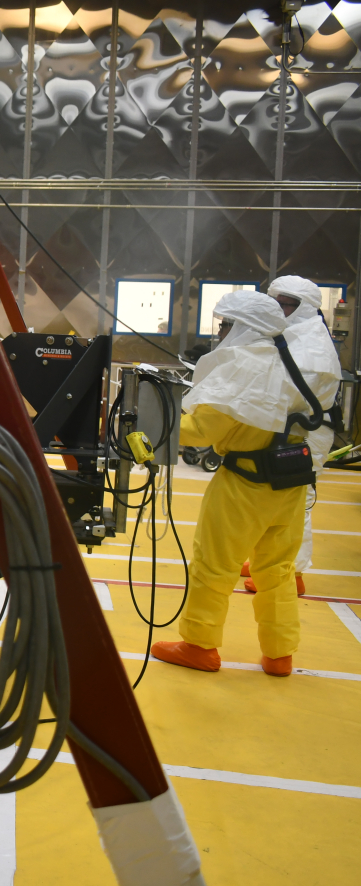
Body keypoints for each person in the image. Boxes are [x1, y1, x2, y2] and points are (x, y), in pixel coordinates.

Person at [153, 290, 318, 677]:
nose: (220, 332)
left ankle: (199, 645)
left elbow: (203, 429)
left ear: (245, 326)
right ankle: (280, 655)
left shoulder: (243, 364)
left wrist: (154, 419)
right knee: (276, 570)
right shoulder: (291, 360)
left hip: (245, 483)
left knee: (215, 564)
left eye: (226, 324)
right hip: (290, 478)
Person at [240, 276, 341, 596]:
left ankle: (292, 573)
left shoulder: (311, 342)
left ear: (303, 307)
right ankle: (263, 559)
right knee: (269, 492)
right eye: (275, 301)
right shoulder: (291, 334)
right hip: (290, 425)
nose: (278, 308)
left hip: (310, 429)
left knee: (298, 500)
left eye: (285, 303)